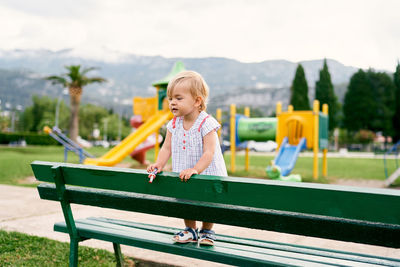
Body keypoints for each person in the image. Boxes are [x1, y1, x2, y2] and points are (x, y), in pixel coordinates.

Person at [147, 70, 227, 246]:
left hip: (207, 172)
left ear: (197, 101)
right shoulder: (173, 124)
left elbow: (209, 153)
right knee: (184, 199)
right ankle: (190, 229)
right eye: (170, 99)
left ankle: (207, 230)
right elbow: (166, 147)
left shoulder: (206, 123)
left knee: (208, 202)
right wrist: (159, 164)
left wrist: (196, 169)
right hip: (183, 171)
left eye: (178, 98)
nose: (172, 103)